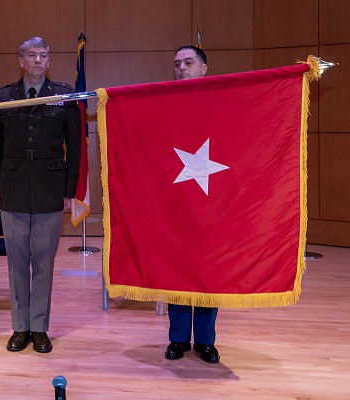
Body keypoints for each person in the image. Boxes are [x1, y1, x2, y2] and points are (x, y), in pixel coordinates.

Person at [0, 37, 81, 353]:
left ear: (48, 60)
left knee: (43, 263)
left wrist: (69, 192)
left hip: (49, 190)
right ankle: (20, 327)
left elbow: (76, 149)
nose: (38, 60)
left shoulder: (64, 96)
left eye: (44, 55)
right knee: (16, 263)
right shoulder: (3, 96)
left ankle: (39, 328)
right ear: (21, 60)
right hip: (13, 190)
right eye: (32, 55)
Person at [164, 45, 220, 364]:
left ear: (204, 68)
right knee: (177, 270)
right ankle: (178, 339)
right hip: (177, 200)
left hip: (212, 200)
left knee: (208, 271)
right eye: (177, 64)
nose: (182, 68)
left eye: (188, 62)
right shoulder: (166, 103)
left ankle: (206, 341)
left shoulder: (219, 102)